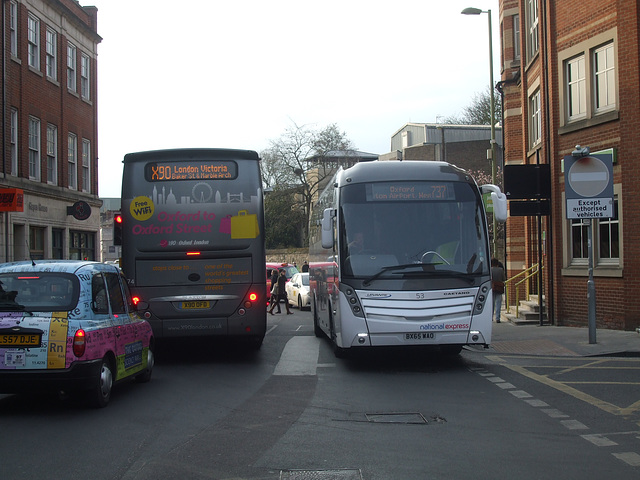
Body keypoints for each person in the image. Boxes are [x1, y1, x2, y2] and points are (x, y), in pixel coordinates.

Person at [491, 258, 506, 323]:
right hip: (499, 287)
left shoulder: (490, 270)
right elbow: (503, 278)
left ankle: (490, 317)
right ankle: (497, 318)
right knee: (498, 303)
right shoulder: (500, 270)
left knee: (492, 303)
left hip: (492, 287)